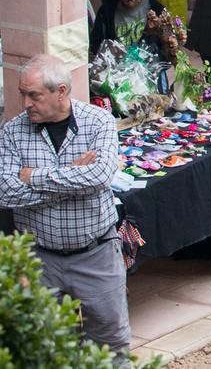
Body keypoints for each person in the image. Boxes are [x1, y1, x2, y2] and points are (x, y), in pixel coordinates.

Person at [0, 56, 129, 355]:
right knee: (45, 346)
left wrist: (34, 177)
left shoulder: (98, 122)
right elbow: (5, 192)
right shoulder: (12, 131)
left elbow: (98, 176)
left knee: (111, 345)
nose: (26, 103)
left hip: (96, 255)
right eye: (23, 94)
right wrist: (72, 178)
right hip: (39, 260)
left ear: (60, 91)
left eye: (34, 95)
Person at [89, 0, 164, 59]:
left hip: (147, 66)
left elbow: (165, 46)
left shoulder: (156, 10)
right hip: (115, 67)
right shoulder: (106, 11)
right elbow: (96, 42)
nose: (130, 2)